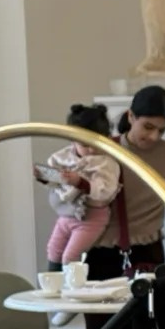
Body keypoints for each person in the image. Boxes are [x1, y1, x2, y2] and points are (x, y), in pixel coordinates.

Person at [85, 85, 165, 280]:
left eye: (162, 130)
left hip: (149, 253)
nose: (154, 136)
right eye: (148, 127)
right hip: (101, 251)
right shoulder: (104, 150)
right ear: (131, 116)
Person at [37, 105, 121, 269]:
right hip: (66, 214)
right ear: (73, 140)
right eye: (84, 145)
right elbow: (56, 182)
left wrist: (81, 183)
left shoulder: (106, 163)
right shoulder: (63, 157)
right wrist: (44, 177)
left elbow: (105, 191)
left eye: (96, 143)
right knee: (53, 250)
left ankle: (70, 283)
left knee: (71, 256)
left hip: (92, 218)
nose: (91, 149)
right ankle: (52, 282)